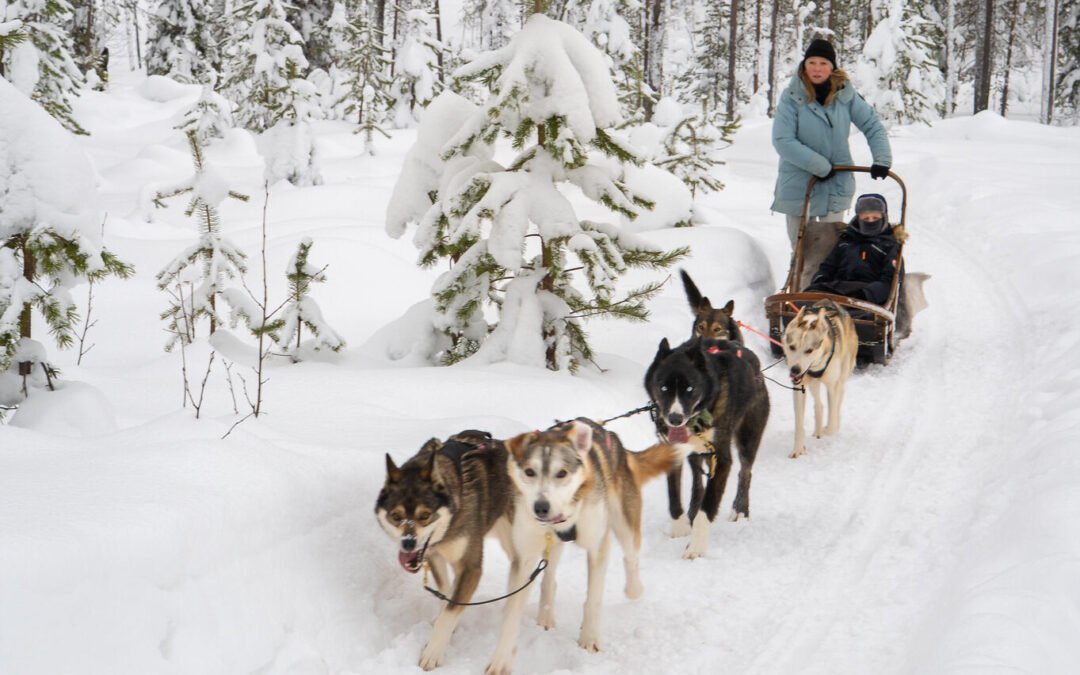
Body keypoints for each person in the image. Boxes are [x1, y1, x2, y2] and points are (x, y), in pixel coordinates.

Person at [771, 38, 893, 246]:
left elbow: (872, 125)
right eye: (812, 63)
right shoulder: (791, 97)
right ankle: (799, 279)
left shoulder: (845, 95)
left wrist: (882, 159)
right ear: (804, 65)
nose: (817, 69)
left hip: (836, 183)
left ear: (832, 67)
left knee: (831, 250)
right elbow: (782, 140)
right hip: (799, 185)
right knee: (801, 251)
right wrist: (819, 166)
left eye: (823, 63)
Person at [804, 193, 903, 306]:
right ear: (858, 218)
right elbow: (828, 266)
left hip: (867, 296)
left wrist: (866, 294)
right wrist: (820, 280)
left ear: (883, 218)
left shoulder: (889, 246)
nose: (870, 221)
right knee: (806, 300)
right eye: (866, 218)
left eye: (875, 218)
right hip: (836, 290)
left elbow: (890, 282)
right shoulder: (846, 240)